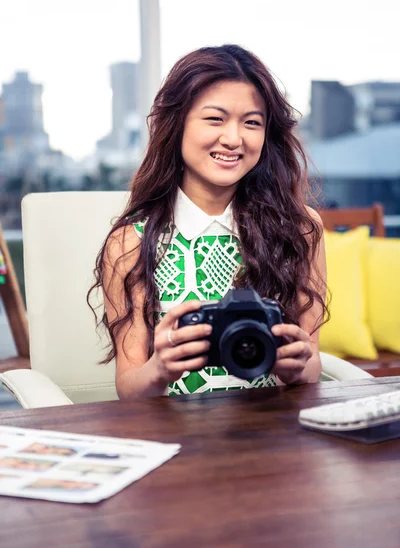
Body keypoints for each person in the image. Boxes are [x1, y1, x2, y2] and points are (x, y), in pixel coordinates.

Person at [89, 44, 328, 400]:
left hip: (272, 435)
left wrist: (296, 365)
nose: (233, 139)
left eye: (252, 122)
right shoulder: (131, 242)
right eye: (215, 119)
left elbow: (311, 369)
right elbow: (129, 388)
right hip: (175, 437)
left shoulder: (301, 229)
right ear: (177, 124)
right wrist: (158, 370)